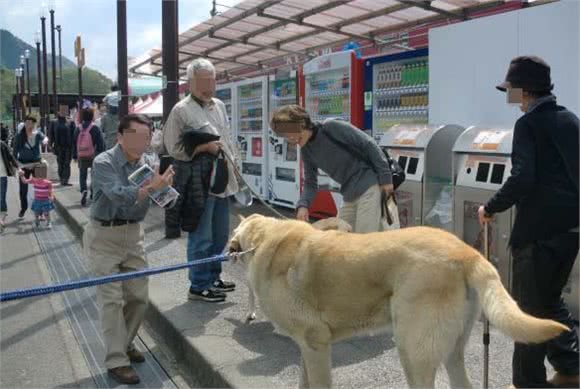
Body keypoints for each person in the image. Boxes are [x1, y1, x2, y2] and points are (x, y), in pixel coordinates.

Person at [478, 56, 579, 389]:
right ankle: (571, 366)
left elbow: (523, 177)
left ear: (523, 90)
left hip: (538, 233)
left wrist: (490, 207)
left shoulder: (528, 125)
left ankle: (527, 384)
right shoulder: (570, 120)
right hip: (571, 231)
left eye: (511, 89)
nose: (510, 96)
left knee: (526, 311)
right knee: (550, 301)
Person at [84, 113, 174, 385]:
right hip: (103, 235)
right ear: (120, 137)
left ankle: (124, 342)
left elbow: (158, 201)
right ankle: (116, 361)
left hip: (134, 234)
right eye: (135, 136)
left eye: (146, 137)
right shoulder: (103, 162)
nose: (142, 142)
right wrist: (149, 189)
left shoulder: (149, 162)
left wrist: (165, 190)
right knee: (111, 300)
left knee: (138, 298)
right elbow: (117, 194)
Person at [163, 58, 238, 303]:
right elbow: (173, 148)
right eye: (203, 80)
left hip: (222, 179)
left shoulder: (218, 104)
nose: (209, 85)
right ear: (190, 82)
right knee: (201, 235)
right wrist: (204, 147)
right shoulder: (181, 110)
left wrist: (235, 165)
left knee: (220, 235)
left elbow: (226, 137)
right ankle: (198, 285)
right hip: (199, 182)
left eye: (212, 79)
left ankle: (213, 276)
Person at [270, 105, 393, 233]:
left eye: (292, 132)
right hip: (349, 193)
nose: (291, 139)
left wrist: (386, 178)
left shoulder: (331, 127)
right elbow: (310, 182)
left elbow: (369, 144)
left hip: (369, 185)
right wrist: (303, 205)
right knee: (341, 237)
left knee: (364, 240)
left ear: (302, 123)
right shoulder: (306, 150)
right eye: (285, 135)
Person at [13, 116, 44, 218]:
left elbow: (45, 138)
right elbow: (14, 154)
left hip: (37, 164)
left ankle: (41, 211)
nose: (28, 125)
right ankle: (23, 208)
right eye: (27, 123)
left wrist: (46, 140)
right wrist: (19, 167)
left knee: (41, 188)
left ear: (34, 124)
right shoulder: (18, 136)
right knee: (23, 190)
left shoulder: (38, 134)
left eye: (31, 123)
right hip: (24, 164)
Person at [73, 108, 105, 207]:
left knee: (82, 175)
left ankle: (83, 191)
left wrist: (74, 155)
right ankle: (92, 192)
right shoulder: (95, 128)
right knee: (94, 175)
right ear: (92, 116)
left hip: (81, 155)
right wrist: (102, 154)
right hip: (93, 155)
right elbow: (101, 144)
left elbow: (74, 143)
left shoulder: (78, 128)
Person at [19, 162, 54, 228]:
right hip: (37, 200)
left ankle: (49, 222)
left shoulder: (48, 182)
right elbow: (25, 181)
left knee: (46, 213)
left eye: (42, 172)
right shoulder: (34, 180)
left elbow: (50, 190)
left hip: (45, 200)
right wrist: (22, 175)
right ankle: (37, 221)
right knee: (36, 213)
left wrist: (51, 196)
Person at [0, 130, 20, 232]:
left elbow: (11, 157)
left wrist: (18, 168)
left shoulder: (2, 145)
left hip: (2, 176)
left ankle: (1, 219)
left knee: (1, 198)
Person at [50, 108, 75, 186]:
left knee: (67, 163)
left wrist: (75, 146)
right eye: (61, 111)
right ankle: (61, 179)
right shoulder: (54, 122)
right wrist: (50, 145)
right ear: (58, 112)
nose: (63, 112)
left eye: (64, 111)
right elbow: (51, 134)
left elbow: (74, 135)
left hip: (68, 146)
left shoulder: (71, 122)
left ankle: (66, 180)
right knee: (60, 163)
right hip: (58, 146)